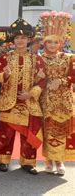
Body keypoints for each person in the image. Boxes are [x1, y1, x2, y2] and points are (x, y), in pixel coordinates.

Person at [0, 18, 46, 175]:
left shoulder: (37, 59)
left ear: (29, 39)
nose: (20, 40)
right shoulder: (5, 58)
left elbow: (42, 81)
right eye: (17, 38)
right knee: (6, 134)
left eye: (23, 38)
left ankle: (28, 162)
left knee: (28, 134)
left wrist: (30, 94)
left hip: (29, 102)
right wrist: (6, 75)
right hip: (8, 102)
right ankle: (3, 160)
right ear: (13, 40)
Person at [39, 11, 74, 176]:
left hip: (64, 100)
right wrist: (42, 80)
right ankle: (48, 159)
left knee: (60, 130)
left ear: (61, 43)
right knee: (48, 130)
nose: (52, 45)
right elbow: (35, 79)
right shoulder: (40, 59)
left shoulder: (69, 58)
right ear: (45, 43)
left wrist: (61, 81)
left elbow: (73, 77)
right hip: (45, 99)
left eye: (56, 42)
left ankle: (60, 161)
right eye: (49, 42)